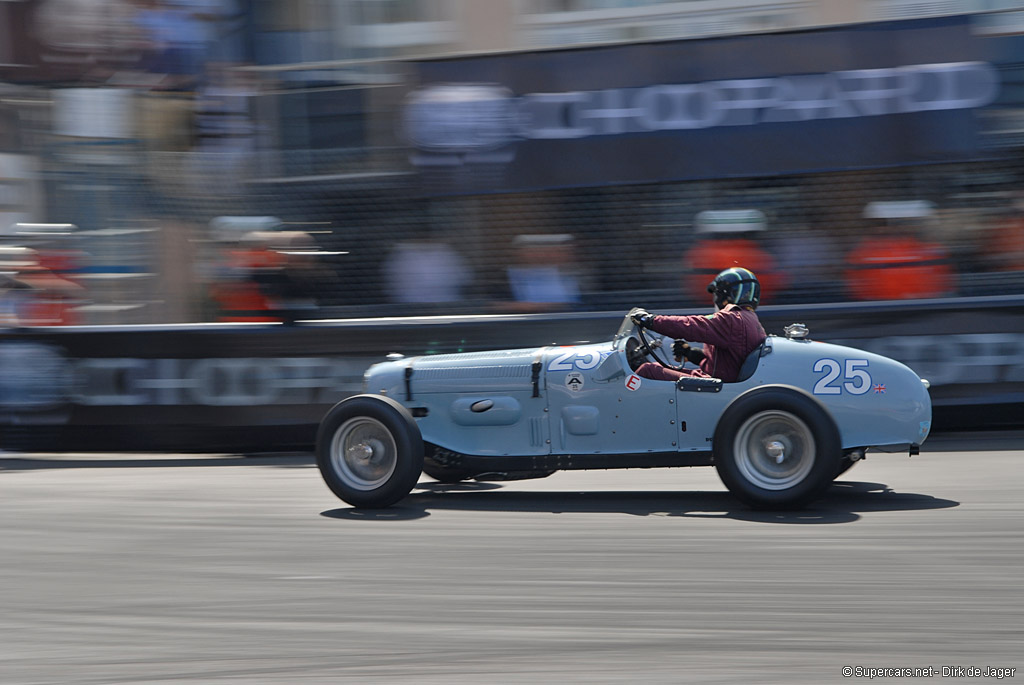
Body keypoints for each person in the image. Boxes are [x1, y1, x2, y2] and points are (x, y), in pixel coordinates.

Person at [631, 267, 767, 383]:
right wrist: (692, 354)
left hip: (717, 386)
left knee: (647, 371)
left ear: (728, 295)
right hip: (720, 381)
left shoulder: (733, 319)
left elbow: (691, 326)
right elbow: (730, 361)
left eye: (717, 295)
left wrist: (651, 320)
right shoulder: (749, 319)